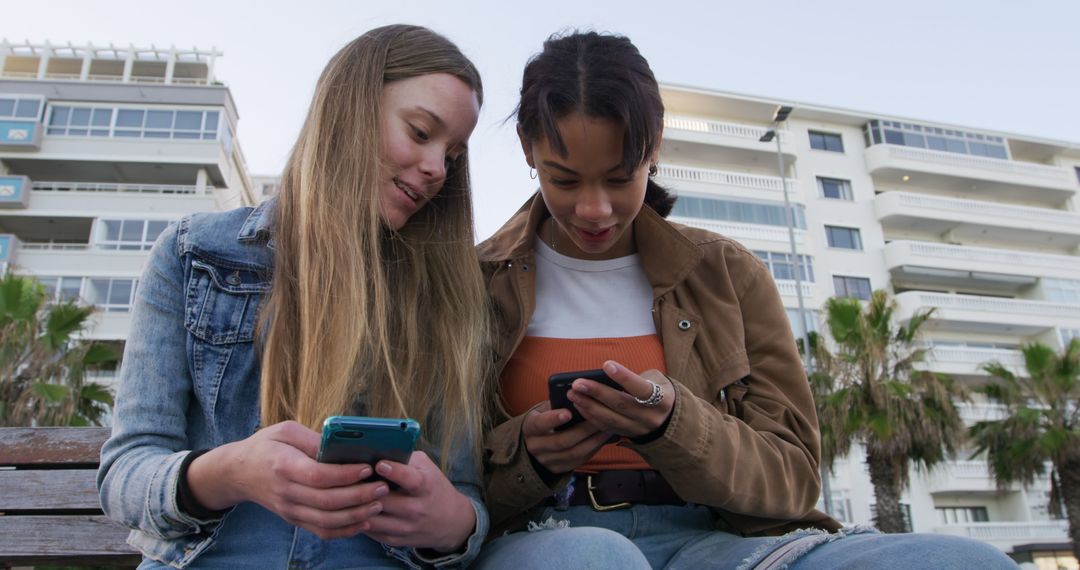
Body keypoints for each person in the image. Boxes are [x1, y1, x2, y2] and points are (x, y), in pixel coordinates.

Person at [473, 31, 1018, 569]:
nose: (595, 210)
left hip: (717, 539)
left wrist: (673, 426)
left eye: (621, 179)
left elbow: (794, 478)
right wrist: (528, 457)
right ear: (527, 146)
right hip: (547, 536)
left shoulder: (728, 273)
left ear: (655, 145)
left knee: (968, 560)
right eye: (564, 180)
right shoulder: (473, 281)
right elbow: (443, 482)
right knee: (595, 556)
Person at [98, 25, 494, 569]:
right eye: (421, 132)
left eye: (453, 154)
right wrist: (229, 472)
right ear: (349, 108)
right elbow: (125, 475)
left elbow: (465, 493)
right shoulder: (193, 255)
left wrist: (455, 524)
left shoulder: (447, 301)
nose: (436, 169)